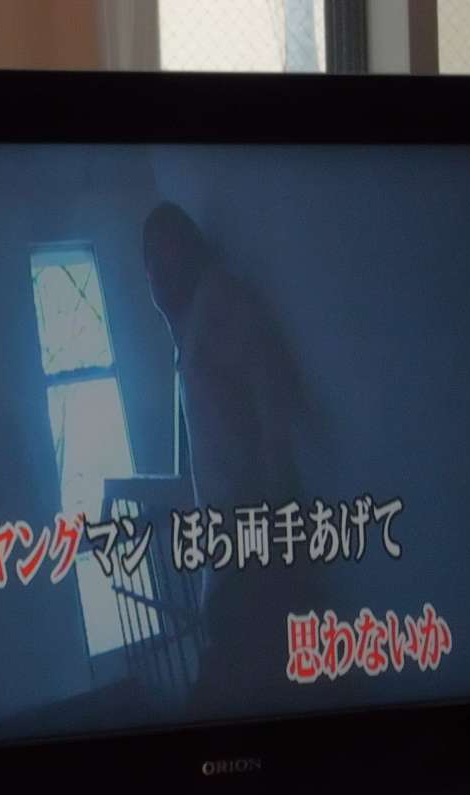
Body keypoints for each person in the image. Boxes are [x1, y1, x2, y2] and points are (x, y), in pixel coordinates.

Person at [143, 202, 312, 712]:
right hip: (235, 559)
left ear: (188, 248)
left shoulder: (221, 304)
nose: (156, 277)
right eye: (150, 266)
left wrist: (280, 533)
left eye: (163, 256)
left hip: (254, 553)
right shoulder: (194, 325)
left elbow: (271, 406)